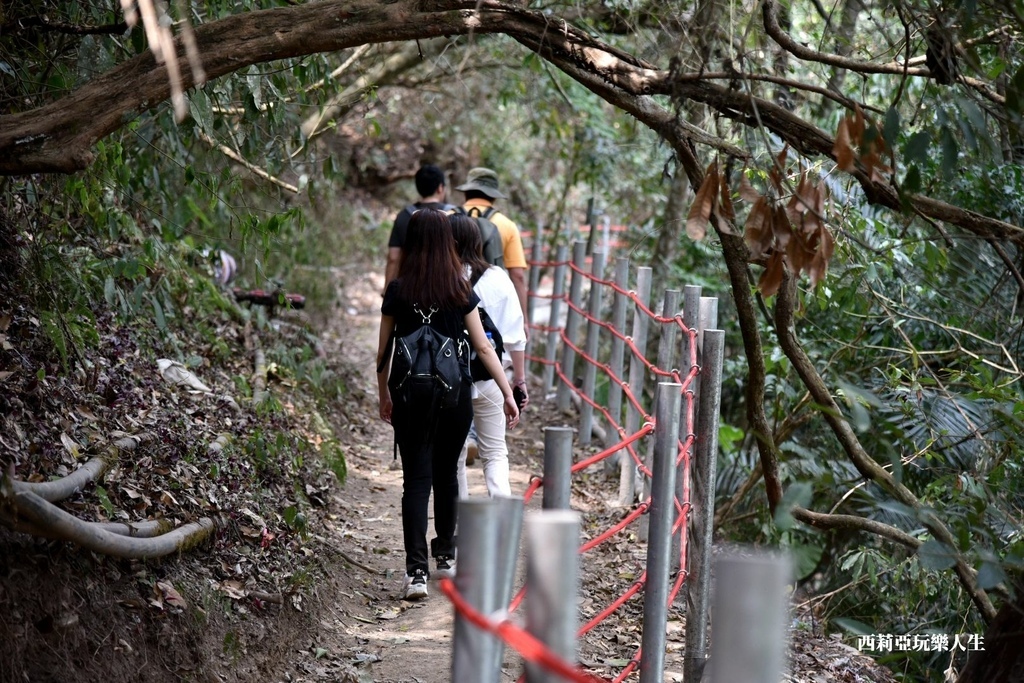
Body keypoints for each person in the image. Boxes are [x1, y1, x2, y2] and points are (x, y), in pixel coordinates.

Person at [376, 208, 520, 601]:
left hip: (408, 396)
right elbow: (484, 347)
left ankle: (416, 572)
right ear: (445, 243)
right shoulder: (459, 290)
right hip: (453, 397)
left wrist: (382, 394)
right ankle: (445, 557)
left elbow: (384, 350)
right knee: (446, 474)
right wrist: (507, 392)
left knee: (416, 481)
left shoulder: (397, 290)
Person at [449, 214, 530, 499]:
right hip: (492, 379)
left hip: (451, 380)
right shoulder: (498, 278)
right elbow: (515, 336)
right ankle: (502, 521)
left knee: (455, 457)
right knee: (495, 453)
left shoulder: (442, 278)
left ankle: (461, 531)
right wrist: (518, 381)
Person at [455, 167, 529, 340]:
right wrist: (522, 320)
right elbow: (517, 275)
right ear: (493, 196)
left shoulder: (446, 218)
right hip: (492, 309)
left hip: (451, 299)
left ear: (467, 192)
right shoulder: (507, 225)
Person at [384, 164, 454, 289]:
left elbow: (393, 257)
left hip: (410, 288)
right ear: (440, 188)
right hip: (446, 286)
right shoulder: (453, 215)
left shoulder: (404, 216)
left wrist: (386, 290)